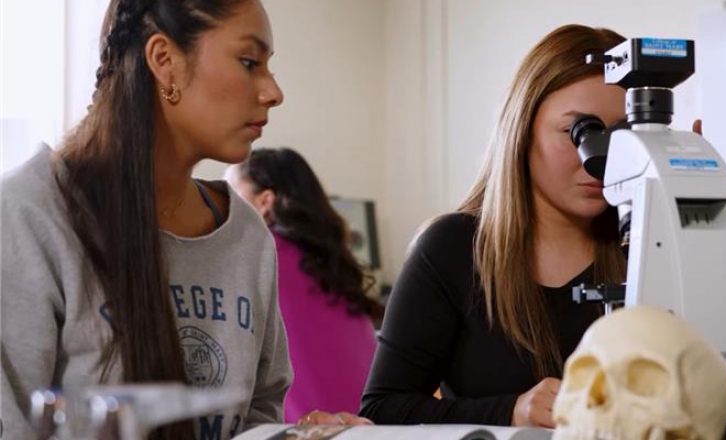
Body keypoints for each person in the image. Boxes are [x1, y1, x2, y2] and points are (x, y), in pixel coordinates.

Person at [0, 1, 295, 439]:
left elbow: (259, 417)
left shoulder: (248, 238)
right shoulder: (30, 216)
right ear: (164, 61)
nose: (273, 92)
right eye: (249, 62)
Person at [359, 24, 631, 428]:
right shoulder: (452, 248)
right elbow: (383, 409)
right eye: (582, 133)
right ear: (523, 130)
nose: (601, 159)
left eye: (621, 135)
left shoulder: (651, 243)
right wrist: (510, 412)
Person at [226, 148, 382, 424]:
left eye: (231, 196)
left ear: (264, 202)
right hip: (367, 427)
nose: (222, 206)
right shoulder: (333, 266)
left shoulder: (260, 254)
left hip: (312, 430)